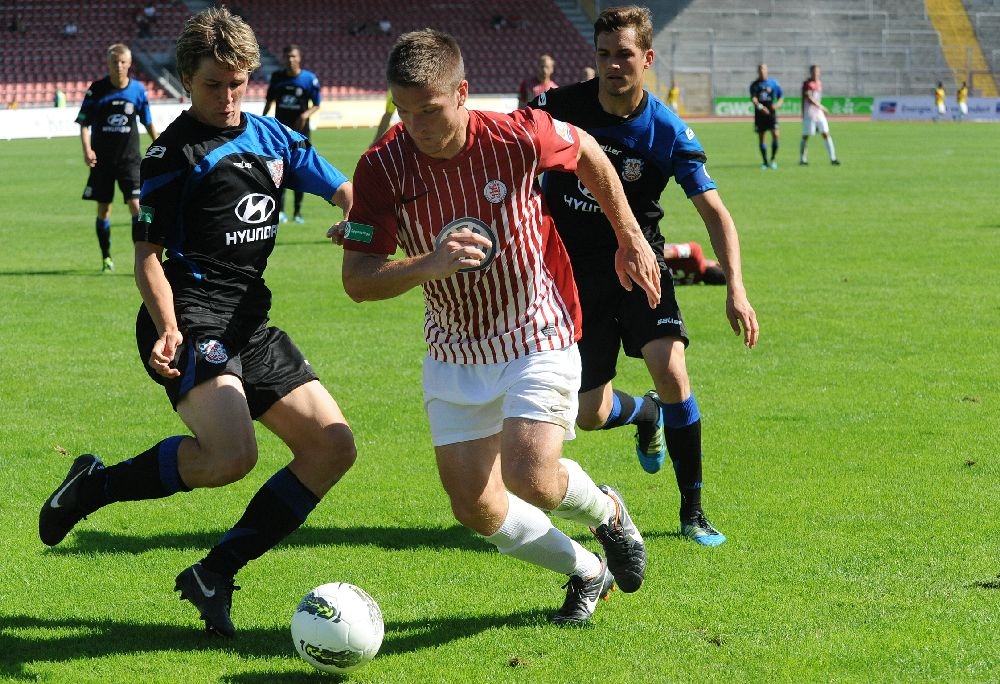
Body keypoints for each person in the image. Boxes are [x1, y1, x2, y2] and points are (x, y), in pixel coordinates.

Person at [39, 6, 357, 639]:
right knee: (232, 455)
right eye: (215, 84)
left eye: (239, 81)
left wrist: (357, 223)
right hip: (186, 317)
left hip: (249, 322)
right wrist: (166, 327)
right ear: (186, 80)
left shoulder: (274, 139)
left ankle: (215, 572)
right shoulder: (169, 157)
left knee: (332, 447)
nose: (229, 96)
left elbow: (346, 193)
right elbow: (146, 259)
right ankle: (94, 488)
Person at [335, 28, 658, 625]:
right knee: (476, 508)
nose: (416, 126)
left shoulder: (516, 133)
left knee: (531, 475)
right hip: (454, 346)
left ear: (461, 93)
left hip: (537, 324)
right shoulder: (383, 166)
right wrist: (428, 263)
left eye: (429, 111)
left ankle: (609, 512)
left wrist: (629, 235)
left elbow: (586, 150)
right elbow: (357, 280)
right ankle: (587, 572)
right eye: (402, 112)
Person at [530, 5, 759, 547]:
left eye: (624, 55)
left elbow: (715, 214)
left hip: (640, 266)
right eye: (604, 55)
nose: (612, 65)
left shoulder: (666, 129)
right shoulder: (558, 107)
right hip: (572, 275)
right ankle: (645, 414)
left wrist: (736, 289)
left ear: (647, 59)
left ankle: (693, 512)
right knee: (588, 415)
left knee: (671, 369)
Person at [76, 43, 159, 272]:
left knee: (136, 206)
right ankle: (106, 258)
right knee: (104, 209)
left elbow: (148, 121)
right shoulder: (97, 89)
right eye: (115, 62)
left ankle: (141, 261)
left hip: (130, 160)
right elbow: (83, 123)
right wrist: (87, 150)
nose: (119, 66)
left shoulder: (138, 91)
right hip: (102, 161)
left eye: (123, 62)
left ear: (129, 64)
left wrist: (160, 144)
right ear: (108, 63)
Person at [263, 44, 322, 224]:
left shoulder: (309, 79)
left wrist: (305, 114)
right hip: (279, 134)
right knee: (278, 172)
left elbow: (317, 104)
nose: (290, 59)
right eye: (287, 56)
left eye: (293, 56)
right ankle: (280, 211)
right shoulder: (277, 78)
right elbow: (269, 102)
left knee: (299, 171)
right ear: (283, 58)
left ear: (299, 58)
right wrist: (262, 122)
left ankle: (297, 213)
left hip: (300, 135)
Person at [799, 64, 840, 166]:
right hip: (810, 114)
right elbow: (809, 98)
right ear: (811, 72)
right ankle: (802, 159)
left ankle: (833, 158)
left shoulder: (819, 83)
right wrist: (821, 107)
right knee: (806, 136)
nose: (816, 73)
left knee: (826, 133)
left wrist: (820, 109)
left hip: (819, 113)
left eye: (817, 71)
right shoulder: (807, 84)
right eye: (814, 71)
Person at [749, 63, 783, 169]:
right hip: (760, 114)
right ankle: (764, 162)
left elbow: (781, 97)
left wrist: (777, 105)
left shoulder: (773, 83)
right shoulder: (754, 85)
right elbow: (753, 99)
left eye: (763, 69)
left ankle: (773, 159)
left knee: (776, 135)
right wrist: (760, 107)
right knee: (762, 137)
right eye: (760, 69)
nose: (762, 71)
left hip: (771, 114)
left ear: (767, 70)